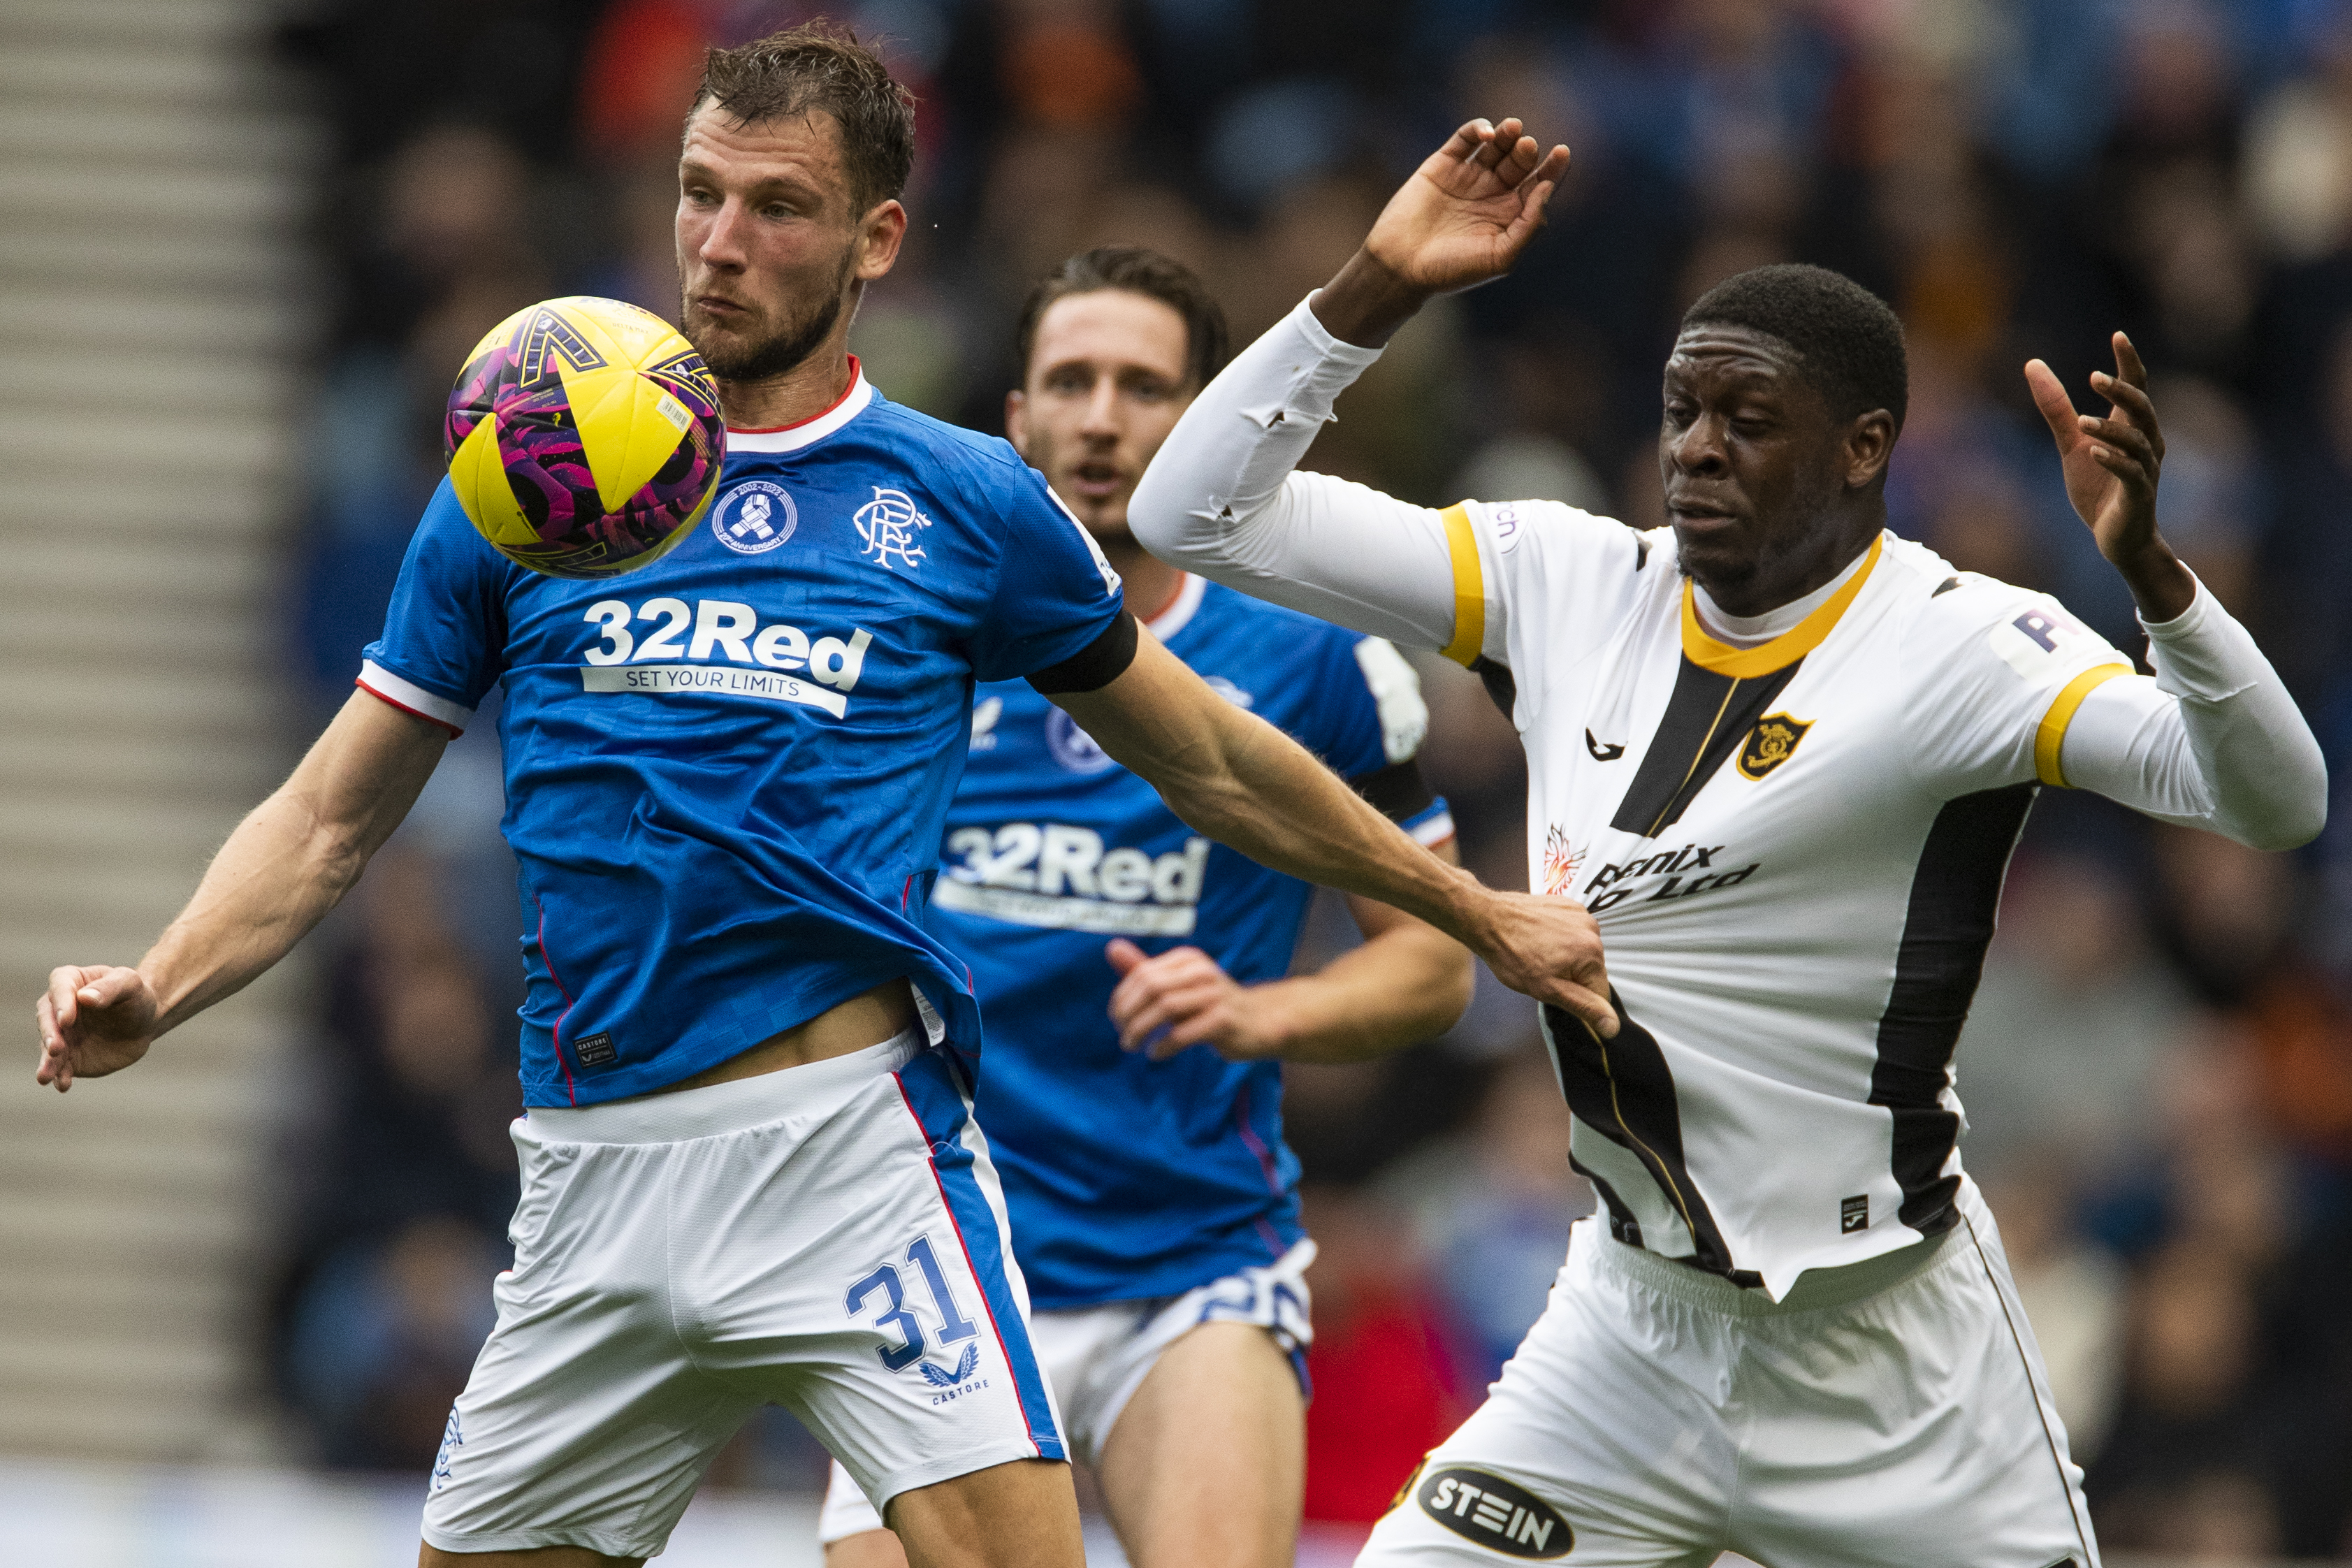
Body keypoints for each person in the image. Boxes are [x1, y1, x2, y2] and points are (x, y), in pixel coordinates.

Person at [31, 47, 1615, 1568]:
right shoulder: (528, 471)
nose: (719, 245)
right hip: (592, 1172)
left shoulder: (965, 501)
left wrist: (1474, 915)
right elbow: (326, 817)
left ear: (875, 239)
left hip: (855, 1164)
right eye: (698, 193)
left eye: (775, 207)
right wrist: (159, 985)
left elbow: (1202, 756)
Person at [1128, 117, 2328, 1568]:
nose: (1696, 448)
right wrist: (1377, 282)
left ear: (1865, 447)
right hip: (1628, 1337)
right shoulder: (1563, 579)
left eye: (1746, 419)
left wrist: (2159, 584)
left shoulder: (1965, 648)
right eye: (1680, 410)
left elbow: (2274, 803)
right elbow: (1188, 510)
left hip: (1889, 1362)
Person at [817, 247, 1474, 1568]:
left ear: (1200, 418)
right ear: (1015, 419)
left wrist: (1260, 1009)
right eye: (1069, 380)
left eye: (1143, 386)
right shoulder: (907, 650)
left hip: (1192, 1263)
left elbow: (1435, 973)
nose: (1102, 417)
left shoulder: (1311, 659)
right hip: (940, 1262)